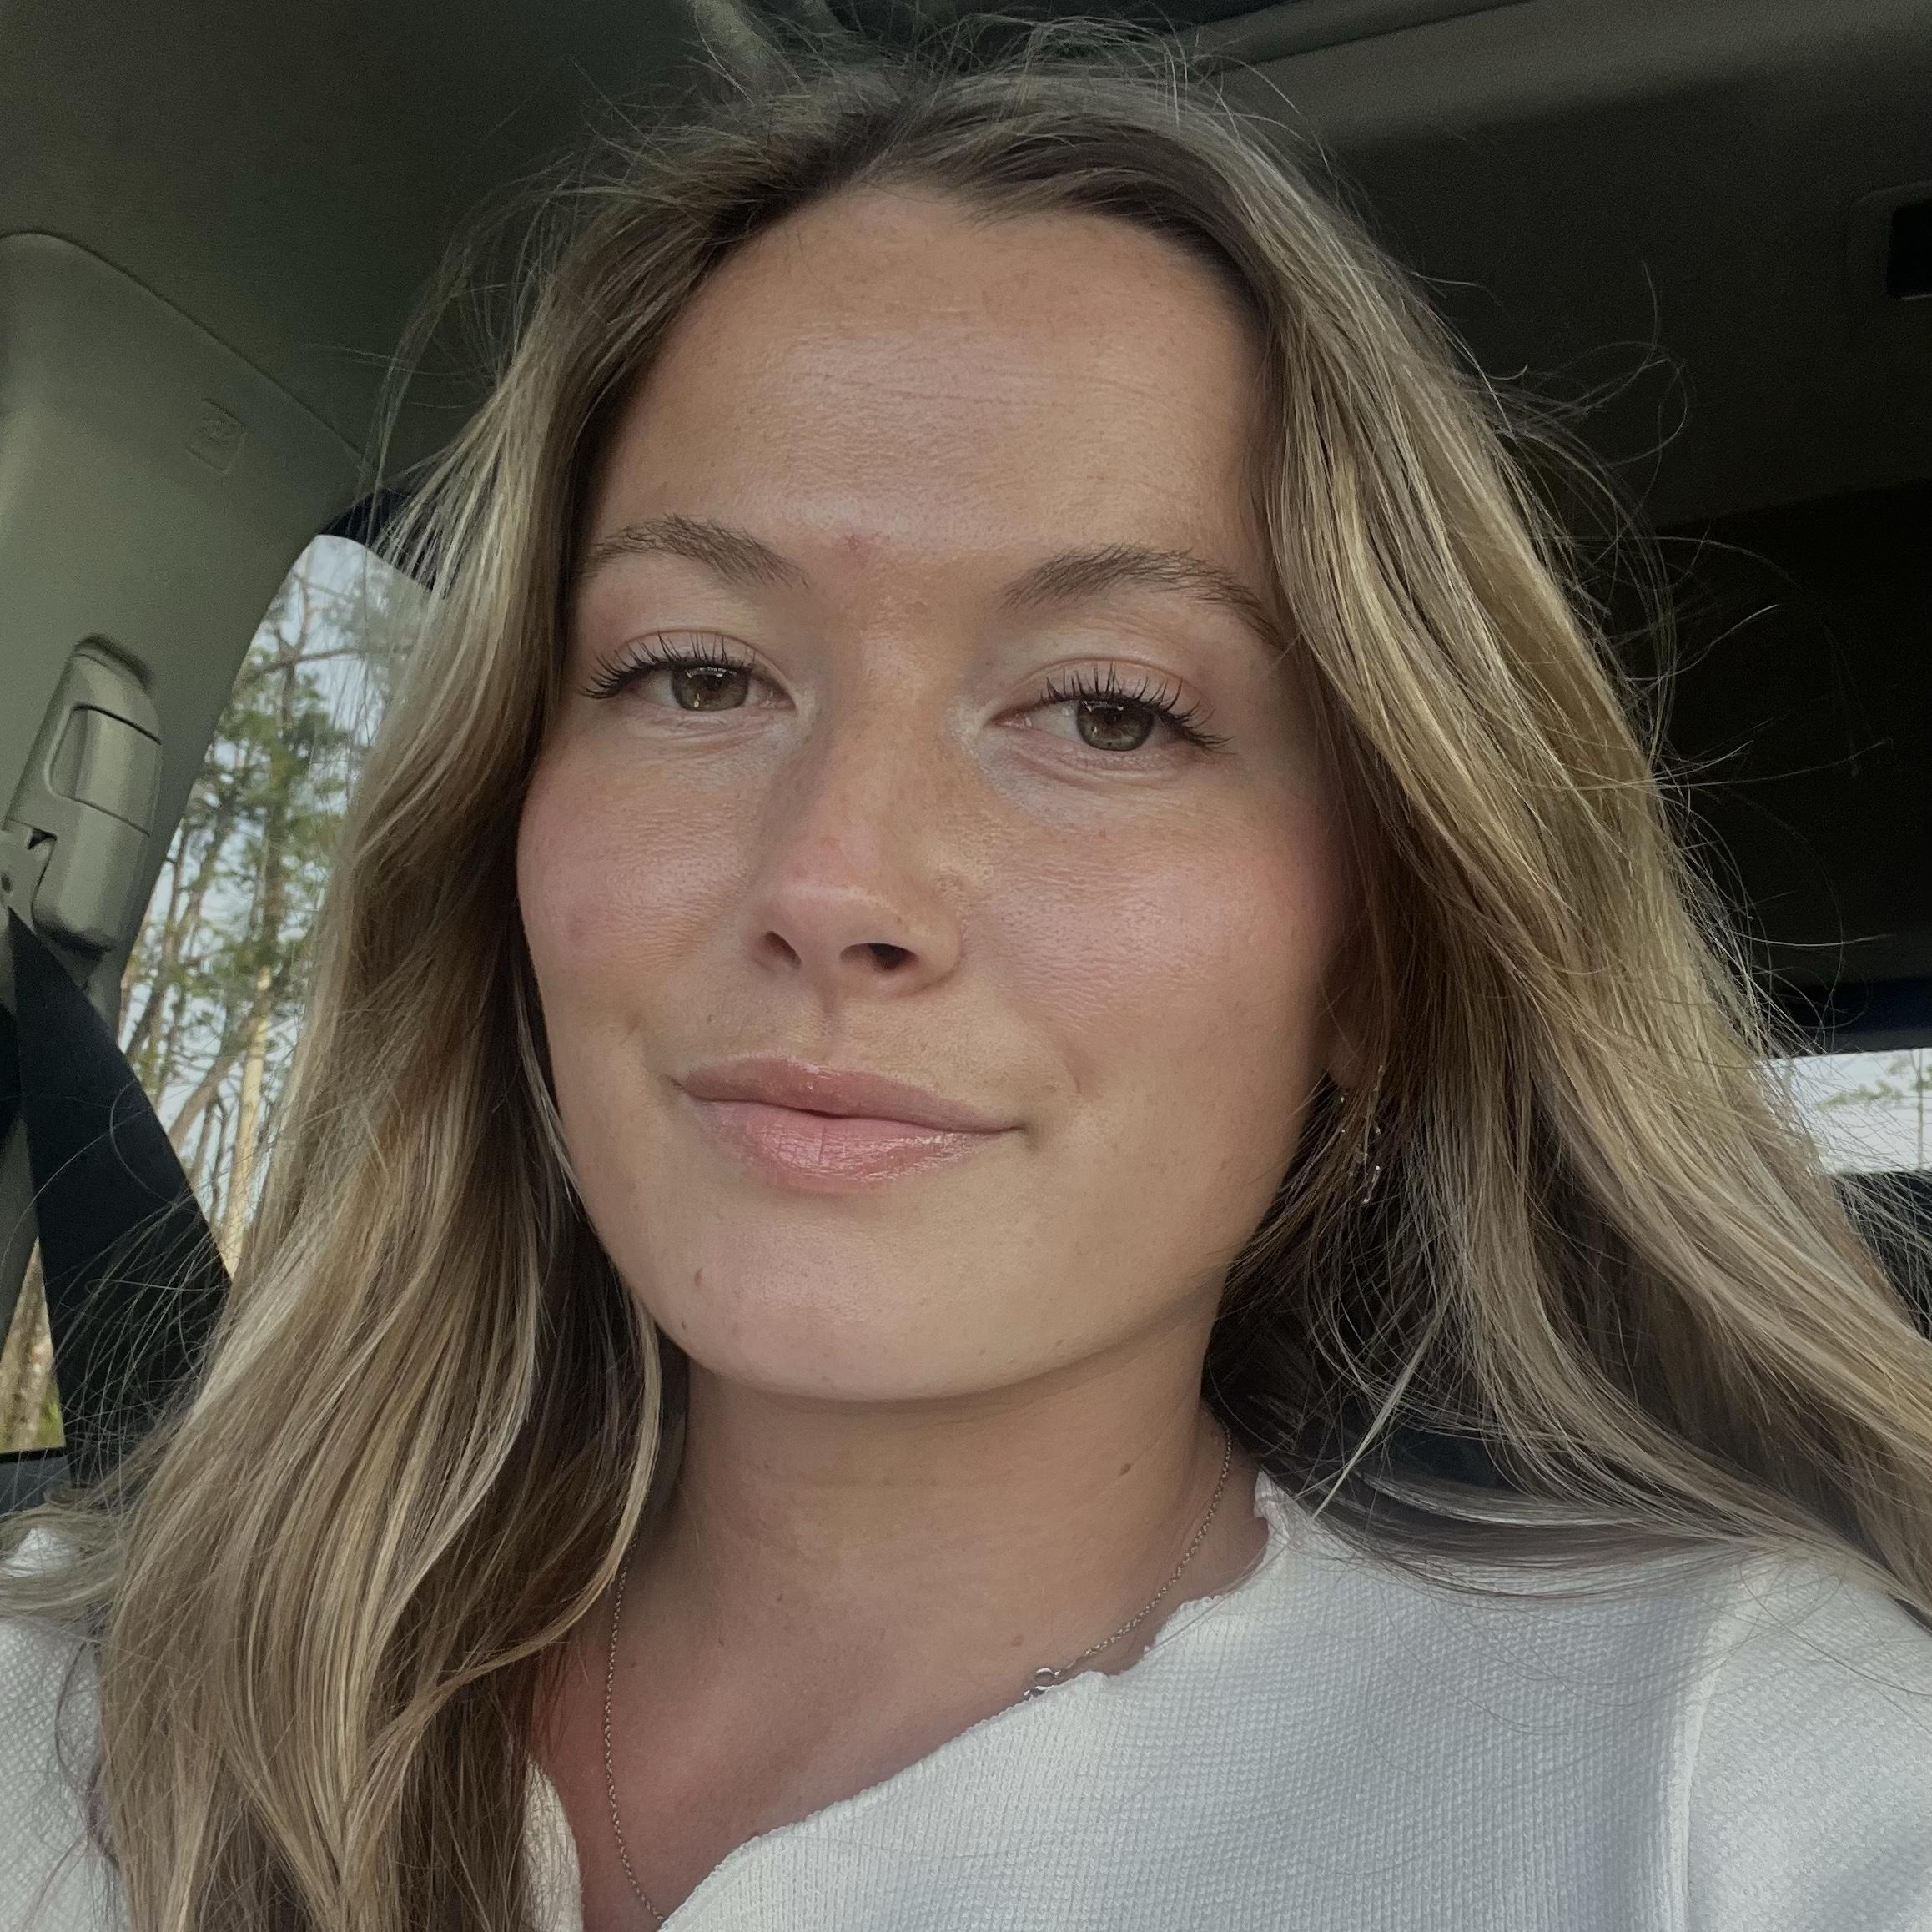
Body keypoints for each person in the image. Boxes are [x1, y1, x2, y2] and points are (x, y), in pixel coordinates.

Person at [4, 16, 1931, 1932]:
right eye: (697, 674)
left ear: (1380, 951)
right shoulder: (68, 1722)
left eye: (1108, 711)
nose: (833, 880)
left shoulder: (1728, 1787)